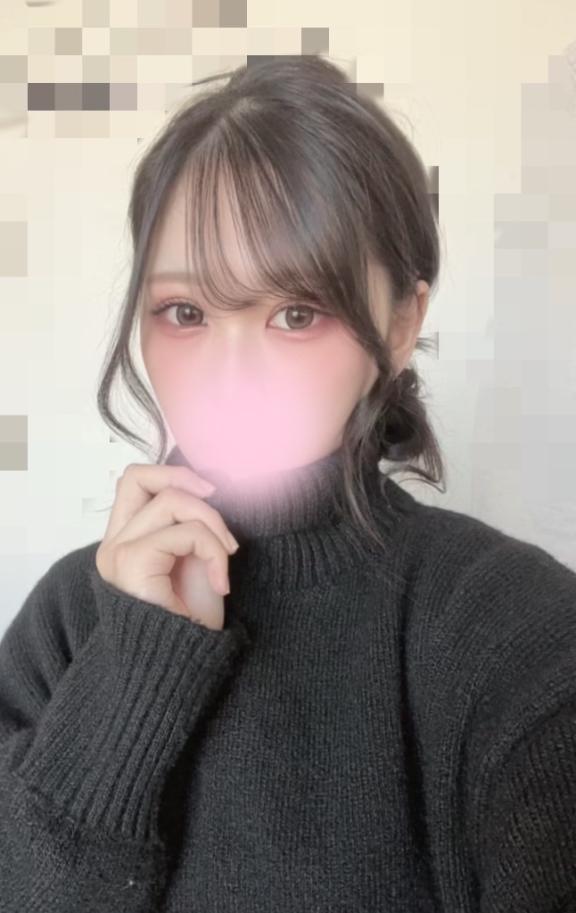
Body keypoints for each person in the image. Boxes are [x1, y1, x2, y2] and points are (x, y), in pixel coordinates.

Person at [1, 54, 576, 912]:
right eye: (186, 313)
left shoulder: (518, 634)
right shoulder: (68, 621)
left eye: (296, 313)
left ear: (402, 322)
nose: (232, 376)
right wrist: (133, 673)